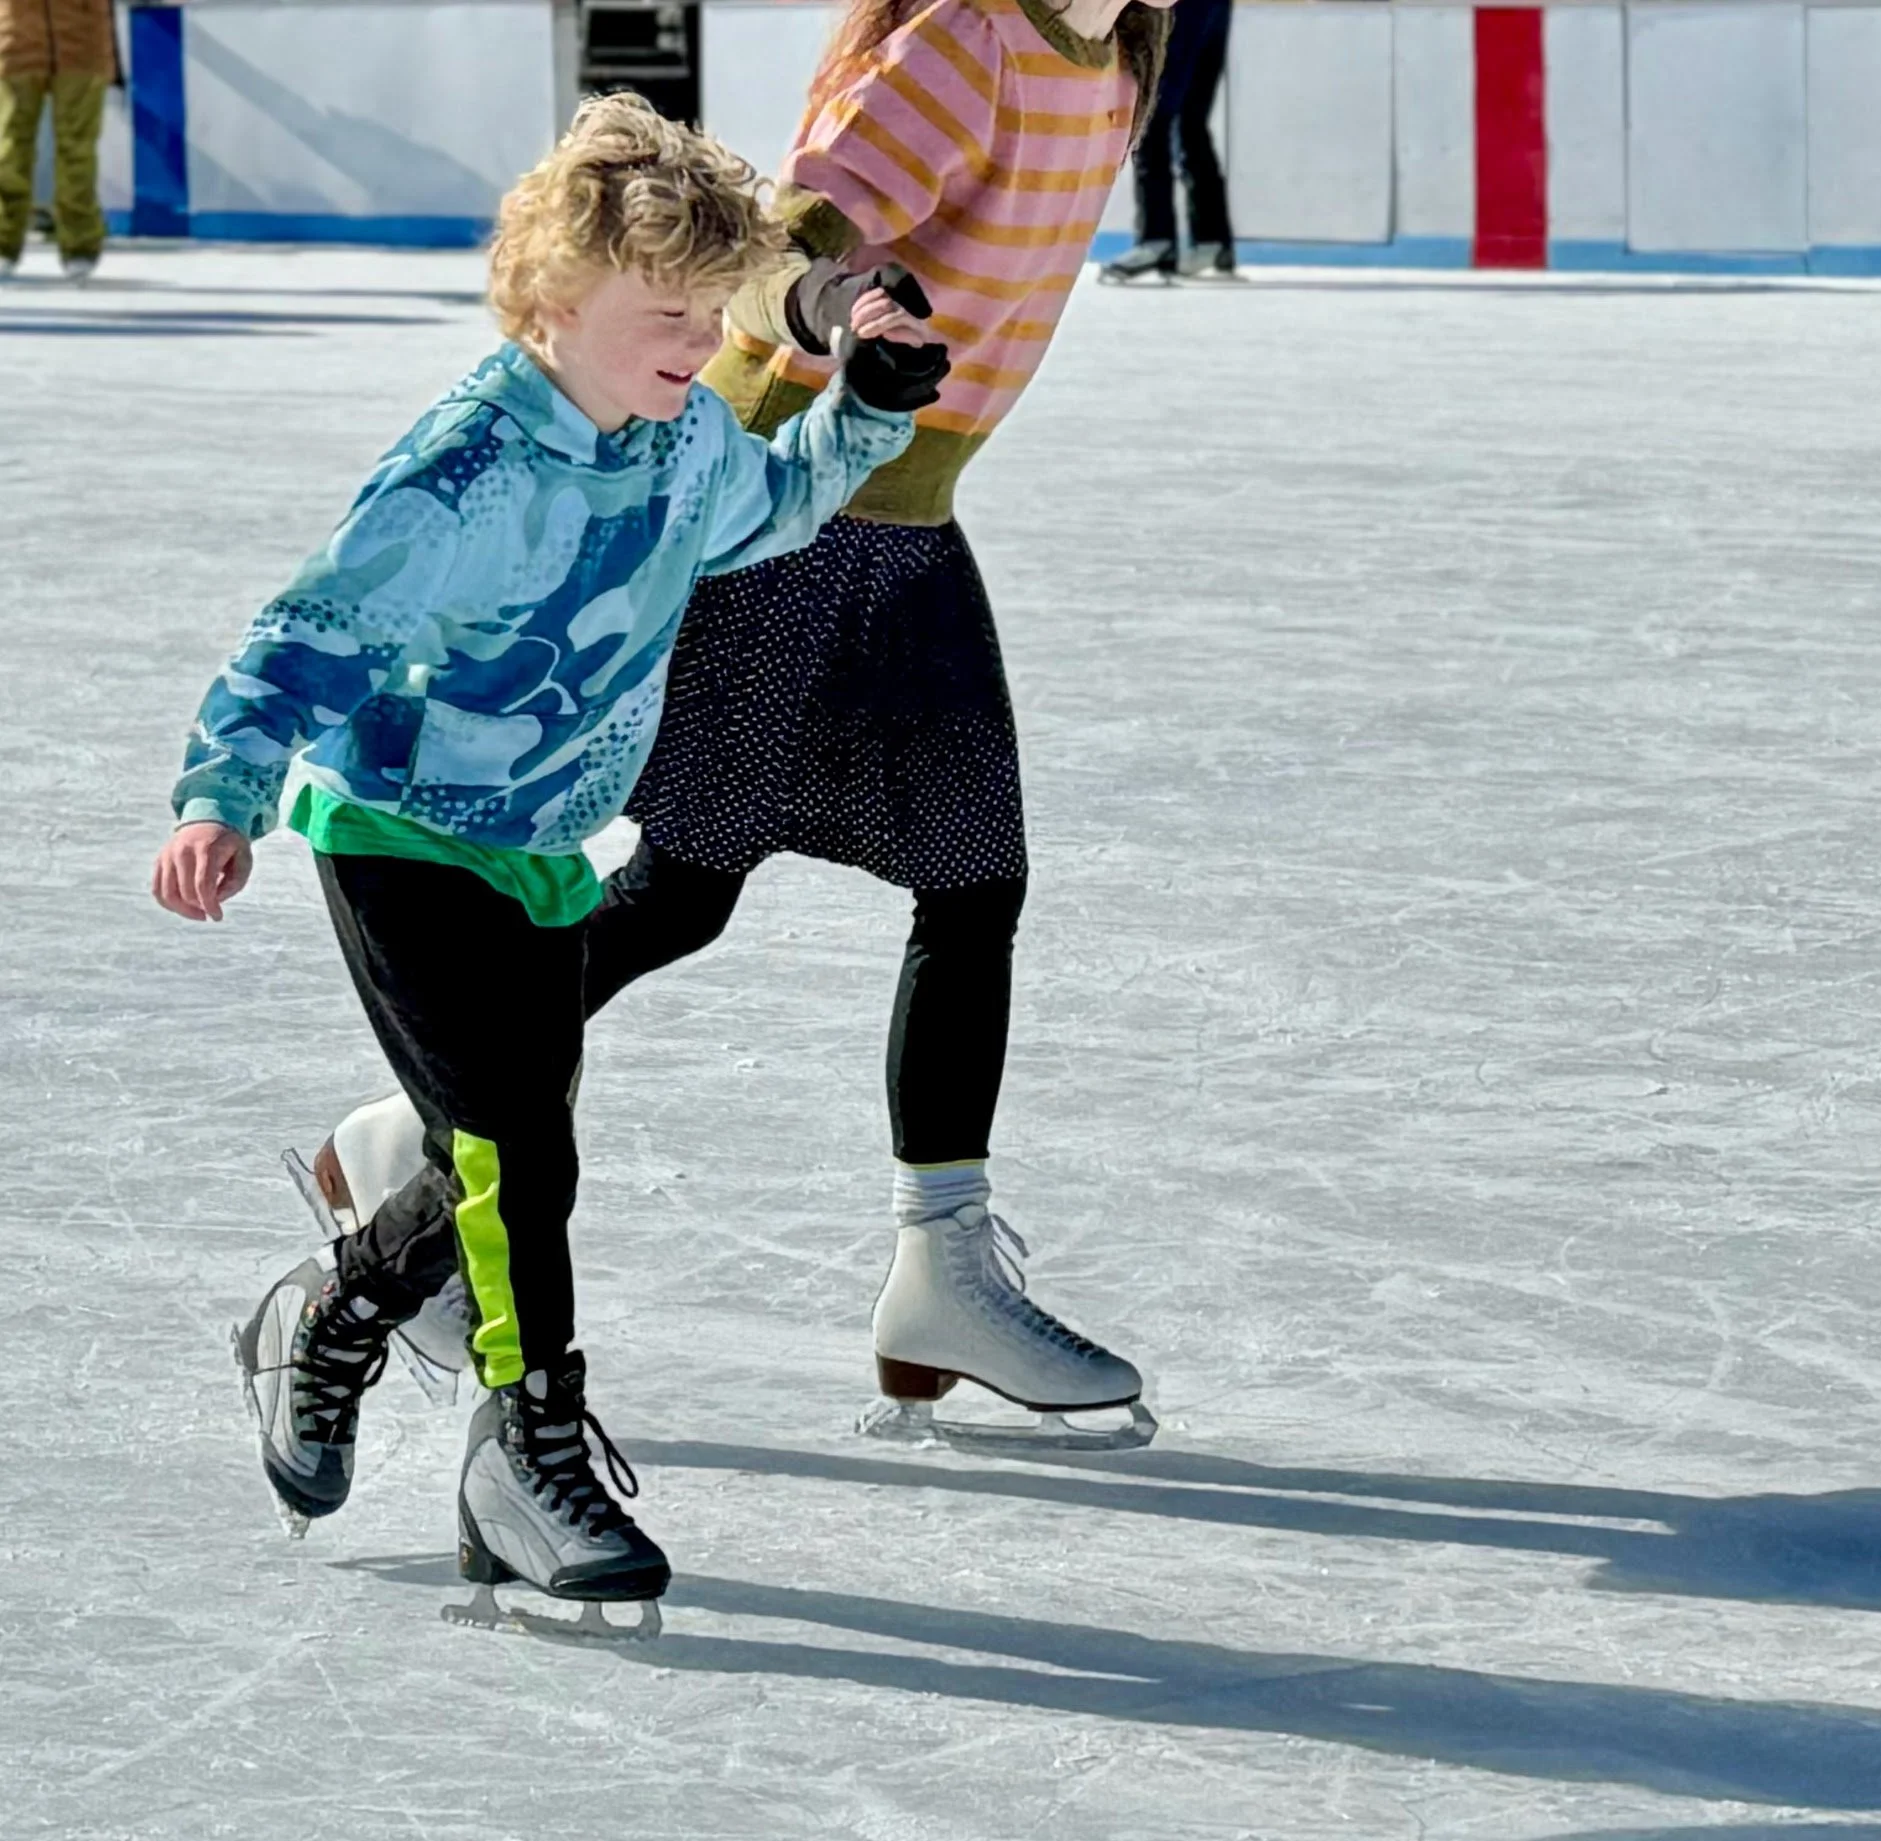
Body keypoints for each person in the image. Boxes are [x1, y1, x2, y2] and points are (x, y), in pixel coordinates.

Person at [305, 0, 1176, 1455]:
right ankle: (422, 1159)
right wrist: (842, 313)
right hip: (781, 515)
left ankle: (939, 1266)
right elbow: (785, 245)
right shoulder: (969, 42)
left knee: (971, 881)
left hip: (901, 530)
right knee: (688, 885)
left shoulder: (1108, 61)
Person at [154, 93, 937, 1635]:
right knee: (524, 1149)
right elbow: (310, 632)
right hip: (399, 832)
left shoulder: (684, 433)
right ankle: (525, 1455)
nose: (700, 345)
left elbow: (769, 512)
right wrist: (222, 797)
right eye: (667, 316)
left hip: (540, 849)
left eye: (715, 317)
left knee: (485, 1164)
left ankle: (332, 1313)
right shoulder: (464, 471)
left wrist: (867, 405)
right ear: (555, 301)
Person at [1101, 0, 1233, 283]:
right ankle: (1213, 241)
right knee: (1191, 122)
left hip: (1179, 10)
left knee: (1155, 115)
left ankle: (1157, 239)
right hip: (1213, 8)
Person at [0, 0, 114, 281]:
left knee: (78, 151)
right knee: (9, 148)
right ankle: (3, 243)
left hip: (83, 43)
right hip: (14, 42)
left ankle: (81, 246)